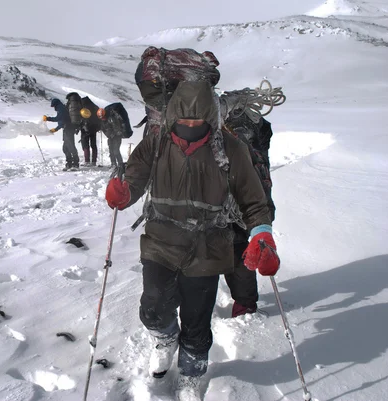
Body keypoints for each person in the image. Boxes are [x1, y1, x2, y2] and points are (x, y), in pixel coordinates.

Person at [104, 81, 280, 400]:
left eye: (197, 121)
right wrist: (123, 192)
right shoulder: (154, 144)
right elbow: (134, 179)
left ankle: (191, 373)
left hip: (209, 244)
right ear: (172, 116)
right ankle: (165, 338)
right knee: (153, 308)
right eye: (183, 120)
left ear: (210, 119)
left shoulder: (231, 149)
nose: (189, 126)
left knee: (197, 319)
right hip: (161, 239)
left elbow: (253, 202)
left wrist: (261, 233)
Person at [223, 116, 276, 318]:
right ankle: (245, 303)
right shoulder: (253, 145)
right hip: (248, 209)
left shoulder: (233, 147)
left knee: (235, 251)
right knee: (237, 250)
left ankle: (245, 304)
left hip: (237, 209)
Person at [44, 98, 79, 171]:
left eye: (53, 106)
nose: (53, 108)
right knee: (66, 148)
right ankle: (69, 164)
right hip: (66, 129)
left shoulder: (61, 108)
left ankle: (75, 164)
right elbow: (62, 122)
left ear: (55, 105)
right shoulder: (61, 108)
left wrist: (48, 118)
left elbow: (59, 118)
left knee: (71, 147)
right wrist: (55, 129)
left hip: (69, 129)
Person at [97, 102, 133, 169]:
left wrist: (113, 134)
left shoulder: (112, 118)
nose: (102, 119)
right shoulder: (103, 119)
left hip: (117, 136)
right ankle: (113, 164)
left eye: (103, 117)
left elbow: (117, 128)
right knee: (111, 150)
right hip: (110, 136)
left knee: (116, 150)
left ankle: (120, 164)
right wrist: (109, 134)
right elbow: (103, 128)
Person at [80, 96, 100, 166]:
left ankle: (87, 161)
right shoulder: (95, 107)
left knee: (85, 145)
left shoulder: (82, 108)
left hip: (84, 129)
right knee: (93, 145)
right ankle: (94, 161)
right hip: (94, 129)